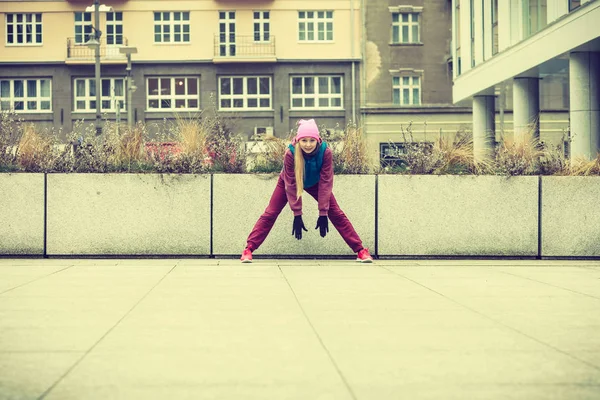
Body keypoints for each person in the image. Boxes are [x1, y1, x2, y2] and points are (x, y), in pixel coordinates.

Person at [240, 119, 373, 263]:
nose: (308, 144)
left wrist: (323, 213)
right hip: (289, 181)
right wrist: (297, 213)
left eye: (311, 140)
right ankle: (248, 249)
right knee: (270, 213)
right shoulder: (290, 154)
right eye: (304, 140)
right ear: (298, 140)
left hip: (316, 183)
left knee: (336, 213)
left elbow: (326, 182)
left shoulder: (325, 152)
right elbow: (291, 185)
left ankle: (360, 251)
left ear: (317, 140)